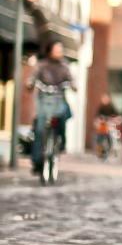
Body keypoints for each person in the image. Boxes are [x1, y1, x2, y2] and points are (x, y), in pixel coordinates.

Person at [26, 40, 75, 175]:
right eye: (57, 49)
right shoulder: (42, 65)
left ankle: (61, 141)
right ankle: (37, 160)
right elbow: (32, 78)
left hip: (58, 99)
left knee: (63, 116)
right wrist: (30, 84)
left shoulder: (64, 66)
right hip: (43, 100)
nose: (60, 52)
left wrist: (73, 85)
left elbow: (72, 79)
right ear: (50, 50)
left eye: (61, 49)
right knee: (40, 128)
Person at [94, 93, 118, 158]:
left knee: (110, 139)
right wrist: (98, 121)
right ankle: (101, 153)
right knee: (100, 140)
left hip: (109, 127)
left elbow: (115, 116)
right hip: (102, 128)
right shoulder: (101, 108)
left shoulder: (111, 108)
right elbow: (97, 117)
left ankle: (109, 150)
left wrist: (113, 119)